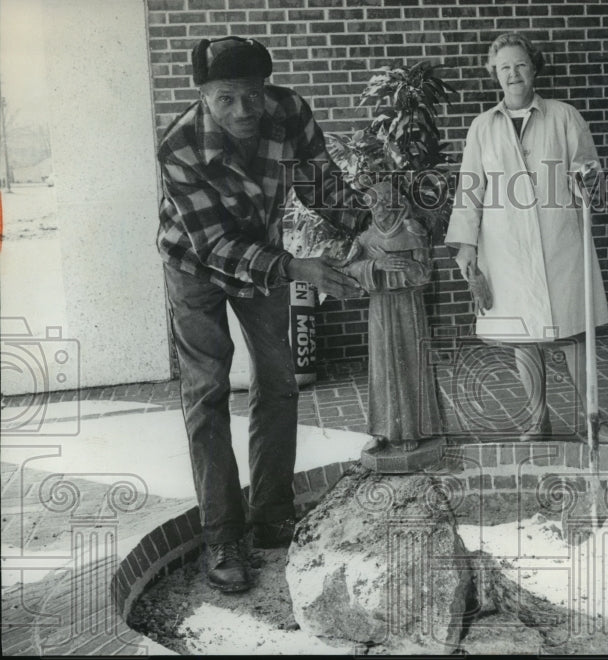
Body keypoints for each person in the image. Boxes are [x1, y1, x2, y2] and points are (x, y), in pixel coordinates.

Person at [157, 36, 361, 593]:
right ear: (203, 96)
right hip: (197, 266)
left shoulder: (290, 111)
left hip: (267, 260)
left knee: (279, 382)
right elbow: (216, 244)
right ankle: (222, 535)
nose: (244, 111)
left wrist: (372, 231)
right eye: (226, 99)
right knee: (207, 392)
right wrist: (298, 268)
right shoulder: (178, 146)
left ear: (265, 88)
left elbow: (324, 187)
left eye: (251, 95)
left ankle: (272, 516)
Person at [445, 32, 608, 444]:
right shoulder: (482, 127)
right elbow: (470, 188)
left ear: (534, 67)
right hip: (506, 247)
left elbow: (589, 170)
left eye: (520, 65)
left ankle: (592, 417)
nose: (513, 74)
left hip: (560, 241)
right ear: (495, 75)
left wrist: (588, 177)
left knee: (572, 333)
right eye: (504, 67)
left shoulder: (564, 116)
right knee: (524, 336)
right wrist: (466, 246)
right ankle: (536, 419)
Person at [342, 179, 442, 451]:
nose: (381, 213)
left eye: (386, 207)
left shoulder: (414, 234)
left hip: (409, 307)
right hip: (380, 308)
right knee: (382, 367)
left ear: (398, 207)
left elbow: (425, 274)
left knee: (411, 363)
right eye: (375, 208)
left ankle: (413, 431)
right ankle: (382, 431)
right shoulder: (366, 239)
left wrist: (408, 265)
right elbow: (349, 269)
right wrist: (375, 265)